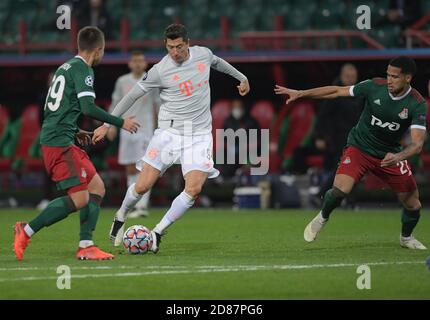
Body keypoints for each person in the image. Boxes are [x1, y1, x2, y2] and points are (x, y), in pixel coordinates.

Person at [92, 24, 250, 250]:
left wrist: (241, 77)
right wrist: (108, 123)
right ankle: (121, 215)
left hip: (199, 135)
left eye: (179, 46)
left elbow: (217, 62)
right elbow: (130, 97)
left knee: (194, 189)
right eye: (169, 47)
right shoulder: (159, 70)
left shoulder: (202, 54)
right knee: (143, 185)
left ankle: (157, 232)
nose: (174, 52)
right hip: (169, 133)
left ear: (188, 42)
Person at [13, 26, 139, 261]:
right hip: (58, 143)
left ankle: (86, 245)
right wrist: (119, 122)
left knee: (97, 188)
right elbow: (88, 108)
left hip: (63, 137)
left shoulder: (65, 67)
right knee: (80, 198)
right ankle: (27, 230)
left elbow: (56, 108)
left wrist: (76, 130)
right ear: (99, 49)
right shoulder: (84, 69)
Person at [275, 56, 427, 250]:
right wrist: (301, 93)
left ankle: (406, 238)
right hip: (360, 147)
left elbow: (417, 144)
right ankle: (322, 216)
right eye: (388, 75)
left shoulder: (417, 103)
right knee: (340, 191)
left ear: (408, 78)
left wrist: (397, 157)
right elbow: (337, 91)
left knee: (413, 205)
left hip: (390, 155)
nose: (389, 80)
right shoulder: (374, 86)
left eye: (395, 77)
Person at [107, 51, 161, 218]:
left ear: (145, 64)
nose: (137, 64)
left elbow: (158, 105)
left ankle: (143, 206)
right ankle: (132, 203)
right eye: (134, 61)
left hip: (146, 129)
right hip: (126, 129)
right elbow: (116, 103)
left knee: (146, 167)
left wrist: (161, 128)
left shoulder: (152, 80)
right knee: (130, 168)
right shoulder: (122, 81)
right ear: (130, 63)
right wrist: (111, 125)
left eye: (140, 61)